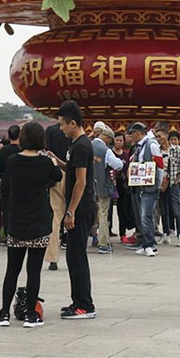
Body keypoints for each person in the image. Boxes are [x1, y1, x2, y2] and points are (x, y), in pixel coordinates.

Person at [0, 122, 62, 328]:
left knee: (12, 270)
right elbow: (57, 177)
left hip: (16, 221)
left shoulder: (13, 161)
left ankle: (4, 313)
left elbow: (5, 189)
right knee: (34, 271)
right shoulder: (45, 162)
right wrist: (53, 161)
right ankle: (31, 314)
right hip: (39, 222)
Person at [45, 100, 96, 319]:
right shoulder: (75, 145)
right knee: (73, 257)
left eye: (63, 125)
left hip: (81, 209)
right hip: (77, 208)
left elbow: (81, 182)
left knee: (77, 257)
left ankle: (85, 305)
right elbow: (72, 170)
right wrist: (56, 160)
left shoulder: (82, 145)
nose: (61, 129)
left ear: (73, 123)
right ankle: (77, 301)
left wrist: (71, 211)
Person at [128, 122, 164, 257]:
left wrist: (158, 183)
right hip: (140, 187)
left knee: (146, 215)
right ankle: (145, 243)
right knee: (142, 216)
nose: (130, 137)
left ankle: (150, 244)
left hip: (150, 187)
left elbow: (159, 165)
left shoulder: (151, 145)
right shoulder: (139, 147)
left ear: (138, 133)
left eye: (132, 134)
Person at [92, 127, 124, 254]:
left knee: (88, 214)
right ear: (107, 138)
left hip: (87, 186)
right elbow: (117, 165)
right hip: (102, 186)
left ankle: (86, 240)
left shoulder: (87, 145)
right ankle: (103, 243)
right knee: (103, 213)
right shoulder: (106, 151)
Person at [44, 121, 70, 271]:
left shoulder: (50, 130)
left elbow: (47, 150)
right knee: (74, 211)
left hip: (56, 173)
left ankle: (53, 258)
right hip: (72, 172)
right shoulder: (74, 128)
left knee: (55, 215)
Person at [0, 125, 21, 245]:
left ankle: (8, 235)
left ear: (9, 136)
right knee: (19, 209)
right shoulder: (22, 149)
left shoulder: (4, 150)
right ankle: (19, 234)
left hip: (6, 184)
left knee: (6, 210)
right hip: (20, 184)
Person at [112, 131, 134, 244]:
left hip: (123, 186)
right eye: (117, 140)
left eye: (121, 140)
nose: (119, 142)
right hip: (111, 185)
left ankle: (122, 233)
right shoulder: (110, 153)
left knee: (123, 210)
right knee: (107, 210)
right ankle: (106, 232)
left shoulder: (126, 155)